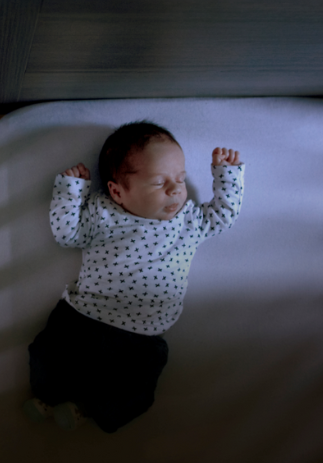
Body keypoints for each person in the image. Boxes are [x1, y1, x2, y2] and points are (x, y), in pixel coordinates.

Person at [25, 121, 245, 432]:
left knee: (137, 387)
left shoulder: (188, 220)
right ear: (117, 191)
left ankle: (87, 409)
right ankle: (46, 395)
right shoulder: (103, 213)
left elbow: (222, 216)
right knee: (49, 352)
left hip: (141, 336)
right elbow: (67, 234)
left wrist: (227, 175)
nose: (175, 189)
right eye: (159, 182)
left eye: (180, 179)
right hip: (83, 317)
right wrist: (71, 190)